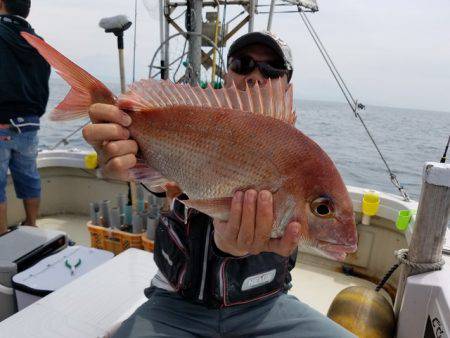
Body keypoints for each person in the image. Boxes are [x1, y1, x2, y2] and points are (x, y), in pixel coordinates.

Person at [83, 31, 355, 337]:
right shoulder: (195, 123)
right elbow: (166, 186)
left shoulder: (300, 158)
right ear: (227, 75)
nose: (255, 75)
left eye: (271, 69)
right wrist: (123, 157)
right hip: (175, 302)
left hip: (266, 305)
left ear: (287, 83)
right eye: (243, 63)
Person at [0, 0, 50, 235]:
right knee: (29, 176)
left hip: (1, 123)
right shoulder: (38, 41)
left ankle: (1, 236)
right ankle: (31, 224)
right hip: (30, 123)